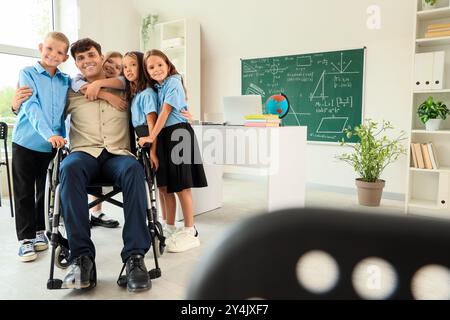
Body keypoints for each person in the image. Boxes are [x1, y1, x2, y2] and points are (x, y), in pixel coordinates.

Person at [60, 38, 151, 292]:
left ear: (101, 57)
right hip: (84, 154)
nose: (87, 61)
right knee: (68, 167)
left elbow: (154, 85)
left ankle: (134, 258)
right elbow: (48, 111)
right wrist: (17, 104)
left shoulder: (127, 88)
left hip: (118, 154)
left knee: (134, 168)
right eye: (80, 58)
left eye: (91, 55)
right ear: (76, 63)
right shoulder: (70, 90)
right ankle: (82, 258)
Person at [11, 52, 126, 228]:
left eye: (119, 67)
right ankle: (33, 236)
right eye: (110, 61)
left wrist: (102, 88)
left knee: (46, 188)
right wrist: (15, 106)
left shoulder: (124, 90)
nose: (113, 67)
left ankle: (94, 213)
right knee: (33, 188)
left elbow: (126, 81)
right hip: (35, 140)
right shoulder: (71, 83)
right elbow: (39, 106)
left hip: (95, 148)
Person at [141, 49, 207, 253]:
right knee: (167, 185)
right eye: (151, 67)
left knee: (182, 185)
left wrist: (151, 137)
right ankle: (170, 227)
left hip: (179, 135)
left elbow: (166, 111)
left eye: (160, 64)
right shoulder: (158, 88)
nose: (156, 69)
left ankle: (190, 230)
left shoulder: (173, 82)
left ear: (168, 65)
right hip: (166, 136)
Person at [12, 32, 70, 262]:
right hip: (26, 142)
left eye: (59, 52)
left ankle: (38, 232)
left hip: (52, 146)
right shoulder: (27, 73)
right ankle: (25, 239)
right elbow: (31, 106)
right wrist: (50, 134)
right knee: (24, 192)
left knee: (43, 191)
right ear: (40, 47)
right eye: (49, 49)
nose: (53, 55)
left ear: (65, 57)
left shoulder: (66, 81)